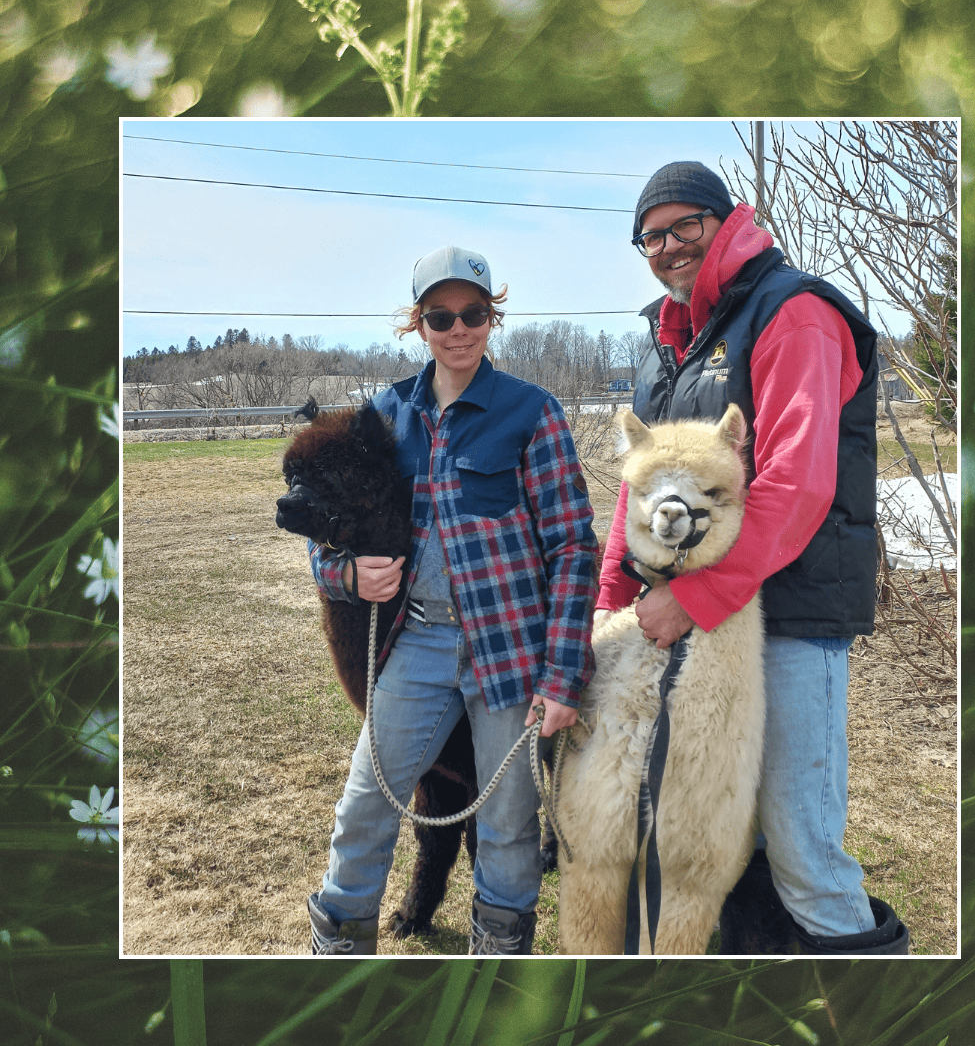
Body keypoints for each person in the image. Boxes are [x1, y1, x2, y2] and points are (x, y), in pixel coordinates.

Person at [597, 161, 910, 955]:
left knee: (801, 847)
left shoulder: (792, 313)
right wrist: (609, 603)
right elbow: (636, 496)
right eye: (651, 236)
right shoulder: (672, 342)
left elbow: (797, 487)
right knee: (719, 836)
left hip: (787, 620)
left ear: (725, 218)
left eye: (684, 226)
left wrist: (694, 601)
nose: (668, 247)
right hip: (696, 629)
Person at [305, 246, 598, 955]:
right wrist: (346, 579)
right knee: (366, 801)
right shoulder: (384, 416)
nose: (458, 328)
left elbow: (573, 550)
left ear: (491, 318)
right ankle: (338, 947)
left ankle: (498, 961)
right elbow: (325, 526)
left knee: (508, 822)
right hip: (420, 644)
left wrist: (561, 678)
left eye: (473, 313)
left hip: (511, 651)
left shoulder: (533, 413)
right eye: (441, 315)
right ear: (419, 323)